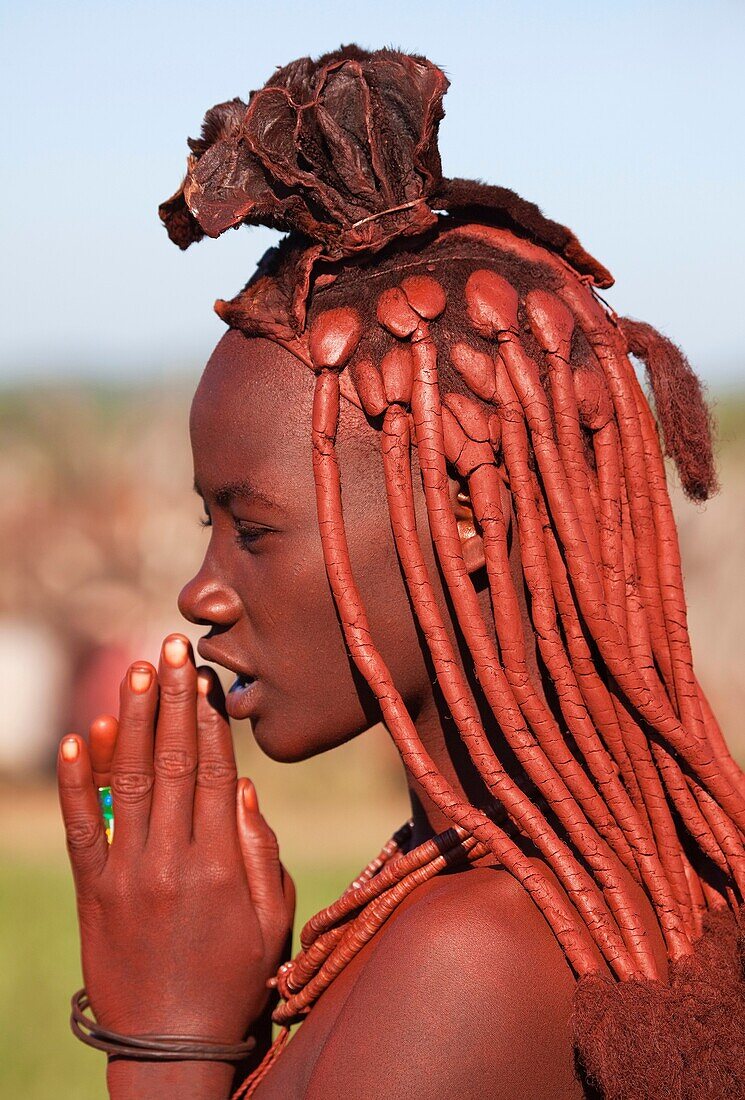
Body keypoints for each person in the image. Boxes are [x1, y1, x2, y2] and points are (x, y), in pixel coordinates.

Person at [57, 45, 745, 1099]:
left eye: (253, 527)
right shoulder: (496, 895)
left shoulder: (470, 960)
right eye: (209, 521)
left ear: (465, 513)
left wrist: (170, 1038)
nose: (201, 589)